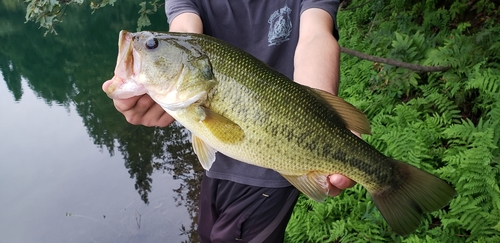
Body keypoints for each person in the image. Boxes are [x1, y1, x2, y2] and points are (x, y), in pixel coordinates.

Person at [103, 0, 356, 242]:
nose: (140, 44)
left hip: (275, 163)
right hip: (219, 161)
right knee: (207, 234)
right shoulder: (195, 84)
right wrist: (155, 84)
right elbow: (184, 32)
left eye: (151, 45)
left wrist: (321, 130)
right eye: (152, 45)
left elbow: (315, 37)